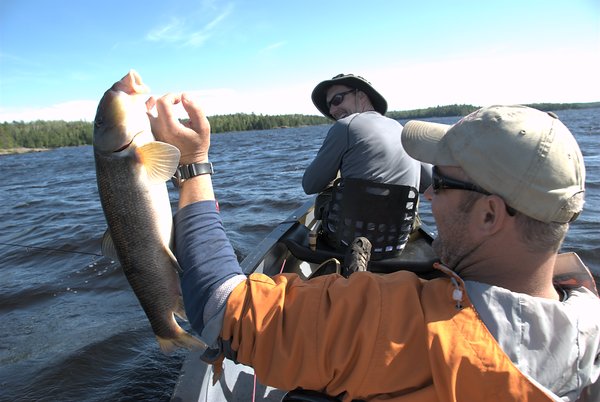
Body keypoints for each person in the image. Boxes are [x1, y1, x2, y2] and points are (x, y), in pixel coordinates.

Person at [148, 95, 600, 401]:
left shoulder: (397, 327)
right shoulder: (586, 318)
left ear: (489, 215)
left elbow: (219, 305)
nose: (428, 195)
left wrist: (192, 166)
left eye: (439, 183)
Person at [303, 74, 431, 248]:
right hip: (397, 240)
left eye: (337, 99)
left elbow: (310, 185)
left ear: (361, 95)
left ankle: (359, 250)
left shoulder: (345, 126)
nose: (332, 110)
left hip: (348, 239)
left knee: (327, 193)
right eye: (329, 106)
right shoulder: (403, 131)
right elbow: (431, 183)